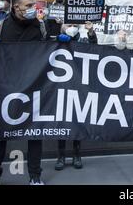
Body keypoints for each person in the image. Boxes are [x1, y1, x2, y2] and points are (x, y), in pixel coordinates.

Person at [0, 0, 48, 185]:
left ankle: (35, 177)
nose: (32, 9)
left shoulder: (41, 26)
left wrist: (64, 41)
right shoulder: (1, 25)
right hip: (8, 87)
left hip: (34, 86)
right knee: (1, 133)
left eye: (33, 5)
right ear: (15, 6)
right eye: (28, 6)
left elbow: (51, 51)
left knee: (36, 132)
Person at [54, 21, 97, 171]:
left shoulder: (83, 40)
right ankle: (61, 156)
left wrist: (91, 32)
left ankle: (76, 155)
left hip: (78, 88)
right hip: (61, 88)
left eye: (73, 25)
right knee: (62, 123)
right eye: (68, 25)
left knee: (77, 122)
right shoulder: (58, 41)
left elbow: (94, 48)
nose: (70, 28)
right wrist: (59, 38)